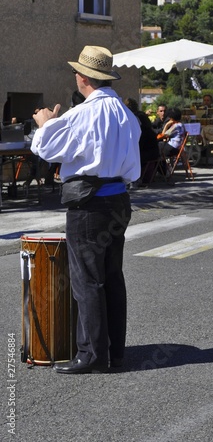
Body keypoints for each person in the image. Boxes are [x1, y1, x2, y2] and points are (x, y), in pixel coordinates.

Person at [30, 45, 141, 374]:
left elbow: (43, 148)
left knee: (87, 281)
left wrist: (45, 122)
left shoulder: (81, 114)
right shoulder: (125, 112)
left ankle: (91, 354)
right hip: (119, 199)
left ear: (82, 78)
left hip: (90, 203)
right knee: (112, 277)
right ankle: (114, 352)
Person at [124, 98, 160, 184]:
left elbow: (139, 144)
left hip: (147, 152)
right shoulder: (143, 117)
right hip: (153, 151)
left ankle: (132, 180)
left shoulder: (135, 119)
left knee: (127, 157)